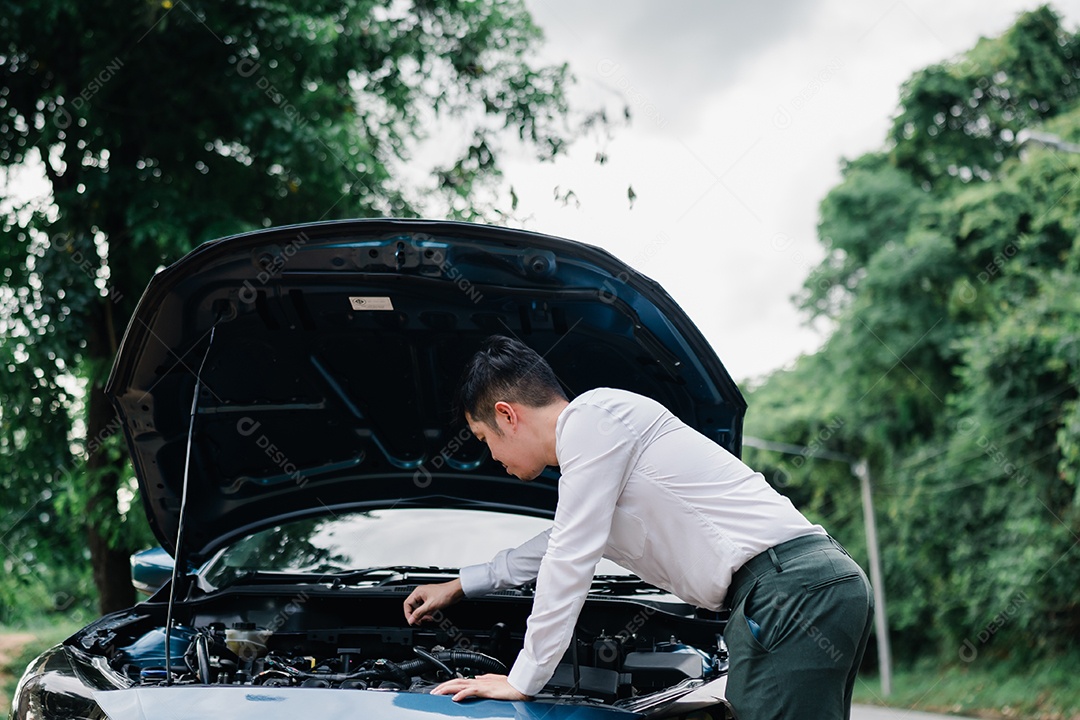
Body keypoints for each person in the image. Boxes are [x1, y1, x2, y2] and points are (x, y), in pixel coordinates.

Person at [403, 335, 873, 719]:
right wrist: (462, 584)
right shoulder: (598, 451)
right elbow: (555, 544)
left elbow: (569, 558)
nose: (492, 457)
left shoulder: (591, 419)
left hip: (788, 591)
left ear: (508, 415)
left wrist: (522, 679)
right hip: (803, 586)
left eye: (484, 439)